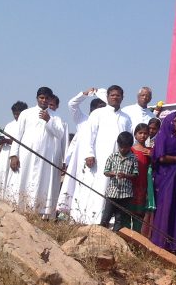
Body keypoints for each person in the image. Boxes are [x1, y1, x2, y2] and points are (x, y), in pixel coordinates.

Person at [69, 85, 131, 224]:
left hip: (118, 161)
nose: (115, 97)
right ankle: (92, 219)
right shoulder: (98, 113)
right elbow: (89, 136)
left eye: (118, 95)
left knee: (114, 190)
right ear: (108, 96)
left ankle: (109, 221)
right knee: (97, 187)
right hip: (99, 159)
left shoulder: (126, 118)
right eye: (112, 95)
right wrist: (89, 154)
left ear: (122, 97)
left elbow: (128, 139)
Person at [8, 87, 68, 216]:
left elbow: (60, 135)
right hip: (27, 157)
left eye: (47, 98)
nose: (44, 100)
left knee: (45, 185)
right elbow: (18, 135)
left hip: (48, 158)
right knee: (25, 181)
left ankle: (42, 214)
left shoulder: (57, 117)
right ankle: (21, 211)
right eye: (41, 97)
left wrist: (49, 120)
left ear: (50, 99)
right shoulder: (26, 113)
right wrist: (14, 155)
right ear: (37, 98)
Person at [57, 92, 106, 216]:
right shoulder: (82, 119)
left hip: (97, 161)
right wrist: (84, 94)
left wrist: (101, 92)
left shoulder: (105, 122)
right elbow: (72, 104)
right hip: (79, 160)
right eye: (99, 108)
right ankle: (72, 214)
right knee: (76, 186)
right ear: (92, 110)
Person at [151, 111, 176, 252]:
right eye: (175, 121)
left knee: (175, 206)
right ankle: (160, 242)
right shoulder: (162, 137)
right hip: (165, 176)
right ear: (169, 121)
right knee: (165, 206)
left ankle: (172, 244)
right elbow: (161, 157)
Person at [0, 101, 27, 201]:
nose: (16, 116)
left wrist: (8, 141)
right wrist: (0, 141)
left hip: (18, 154)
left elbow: (24, 142)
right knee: (0, 175)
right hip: (4, 154)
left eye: (19, 113)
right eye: (15, 113)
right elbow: (3, 138)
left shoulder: (28, 125)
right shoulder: (9, 125)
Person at [100, 131, 139, 232]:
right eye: (121, 146)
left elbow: (135, 174)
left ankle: (115, 238)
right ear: (118, 144)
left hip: (125, 195)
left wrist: (125, 175)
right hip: (112, 192)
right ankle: (100, 234)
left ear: (130, 146)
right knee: (106, 216)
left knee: (119, 219)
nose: (123, 149)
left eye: (126, 147)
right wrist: (113, 174)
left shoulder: (133, 158)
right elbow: (106, 172)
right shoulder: (112, 157)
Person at [131, 120, 159, 235]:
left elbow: (157, 166)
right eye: (140, 133)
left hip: (145, 185)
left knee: (142, 213)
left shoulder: (151, 150)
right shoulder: (131, 150)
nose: (143, 135)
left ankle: (139, 237)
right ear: (135, 134)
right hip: (133, 183)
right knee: (130, 210)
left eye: (145, 133)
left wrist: (153, 157)